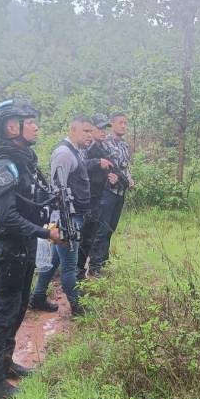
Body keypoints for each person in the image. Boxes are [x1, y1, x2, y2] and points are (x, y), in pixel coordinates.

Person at [0, 98, 60, 399]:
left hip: (25, 249)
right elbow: (8, 216)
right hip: (12, 251)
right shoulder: (4, 163)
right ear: (12, 127)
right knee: (3, 315)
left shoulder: (22, 157)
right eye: (31, 121)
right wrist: (44, 233)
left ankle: (6, 364)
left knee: (18, 309)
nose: (36, 126)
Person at [30, 115, 94, 316]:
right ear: (73, 130)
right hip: (66, 218)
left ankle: (38, 297)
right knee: (69, 266)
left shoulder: (77, 152)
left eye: (91, 131)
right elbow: (57, 191)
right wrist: (63, 224)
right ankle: (77, 307)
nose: (89, 136)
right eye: (86, 131)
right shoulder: (64, 154)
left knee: (56, 259)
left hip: (75, 216)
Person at [88, 112, 134, 276]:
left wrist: (130, 179)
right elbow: (100, 167)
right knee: (102, 229)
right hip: (107, 192)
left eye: (125, 123)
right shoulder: (104, 143)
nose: (123, 126)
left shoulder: (124, 145)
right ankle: (94, 266)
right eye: (120, 122)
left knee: (110, 229)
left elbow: (124, 167)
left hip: (120, 192)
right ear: (113, 124)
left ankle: (103, 261)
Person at [77, 113, 117, 281]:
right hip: (84, 200)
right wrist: (97, 163)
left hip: (97, 199)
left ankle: (82, 271)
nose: (103, 132)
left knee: (90, 236)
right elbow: (78, 166)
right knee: (82, 237)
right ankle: (76, 272)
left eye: (105, 128)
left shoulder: (102, 148)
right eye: (99, 128)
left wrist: (111, 177)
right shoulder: (85, 148)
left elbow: (103, 172)